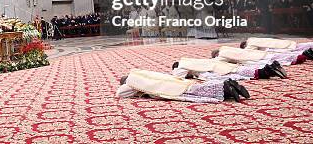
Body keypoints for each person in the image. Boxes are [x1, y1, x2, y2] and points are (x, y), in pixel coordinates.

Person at [116, 69, 250, 103]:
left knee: (196, 93)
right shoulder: (142, 73)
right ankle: (227, 86)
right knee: (197, 88)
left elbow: (120, 94)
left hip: (169, 89)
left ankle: (227, 89)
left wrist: (128, 84)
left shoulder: (134, 82)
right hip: (175, 81)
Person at [172, 57, 287, 81]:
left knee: (238, 74)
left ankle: (268, 70)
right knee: (239, 70)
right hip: (217, 65)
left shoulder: (182, 65)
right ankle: (269, 69)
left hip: (215, 70)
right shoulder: (192, 61)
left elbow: (178, 77)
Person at [239, 37, 313, 52]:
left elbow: (248, 51)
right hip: (277, 44)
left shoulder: (251, 42)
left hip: (277, 46)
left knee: (299, 47)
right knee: (299, 47)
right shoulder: (253, 39)